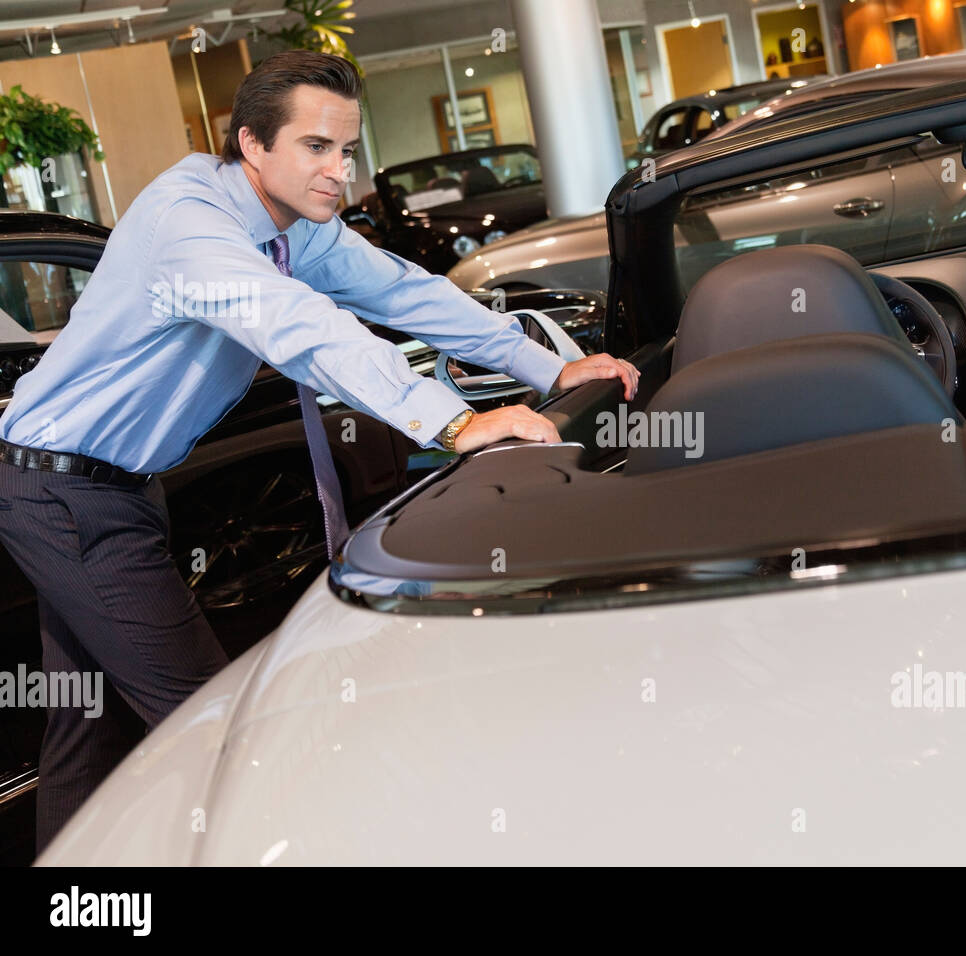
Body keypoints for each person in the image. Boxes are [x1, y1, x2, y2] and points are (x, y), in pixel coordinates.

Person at [0, 50, 637, 854]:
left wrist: (548, 365)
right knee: (218, 731)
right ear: (252, 145)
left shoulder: (296, 224)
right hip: (65, 496)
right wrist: (453, 424)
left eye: (347, 150)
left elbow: (406, 290)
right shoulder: (192, 223)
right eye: (315, 147)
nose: (339, 171)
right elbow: (297, 325)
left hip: (107, 486)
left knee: (86, 732)